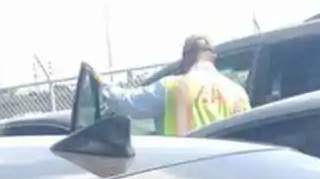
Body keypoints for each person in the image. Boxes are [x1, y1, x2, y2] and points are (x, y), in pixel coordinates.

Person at [103, 35, 250, 134]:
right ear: (214, 58)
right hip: (225, 174)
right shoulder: (238, 93)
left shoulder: (172, 87)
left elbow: (127, 103)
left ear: (185, 58)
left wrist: (102, 87)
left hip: (181, 172)